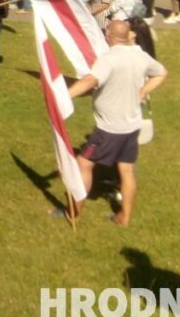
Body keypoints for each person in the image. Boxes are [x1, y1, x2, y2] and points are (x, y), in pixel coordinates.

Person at [65, 20, 167, 226]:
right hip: (131, 125)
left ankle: (74, 213)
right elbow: (162, 72)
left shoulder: (108, 59)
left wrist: (64, 95)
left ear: (108, 35)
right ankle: (124, 217)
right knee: (126, 170)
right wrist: (142, 92)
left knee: (83, 164)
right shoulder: (140, 56)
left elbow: (90, 81)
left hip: (109, 128)